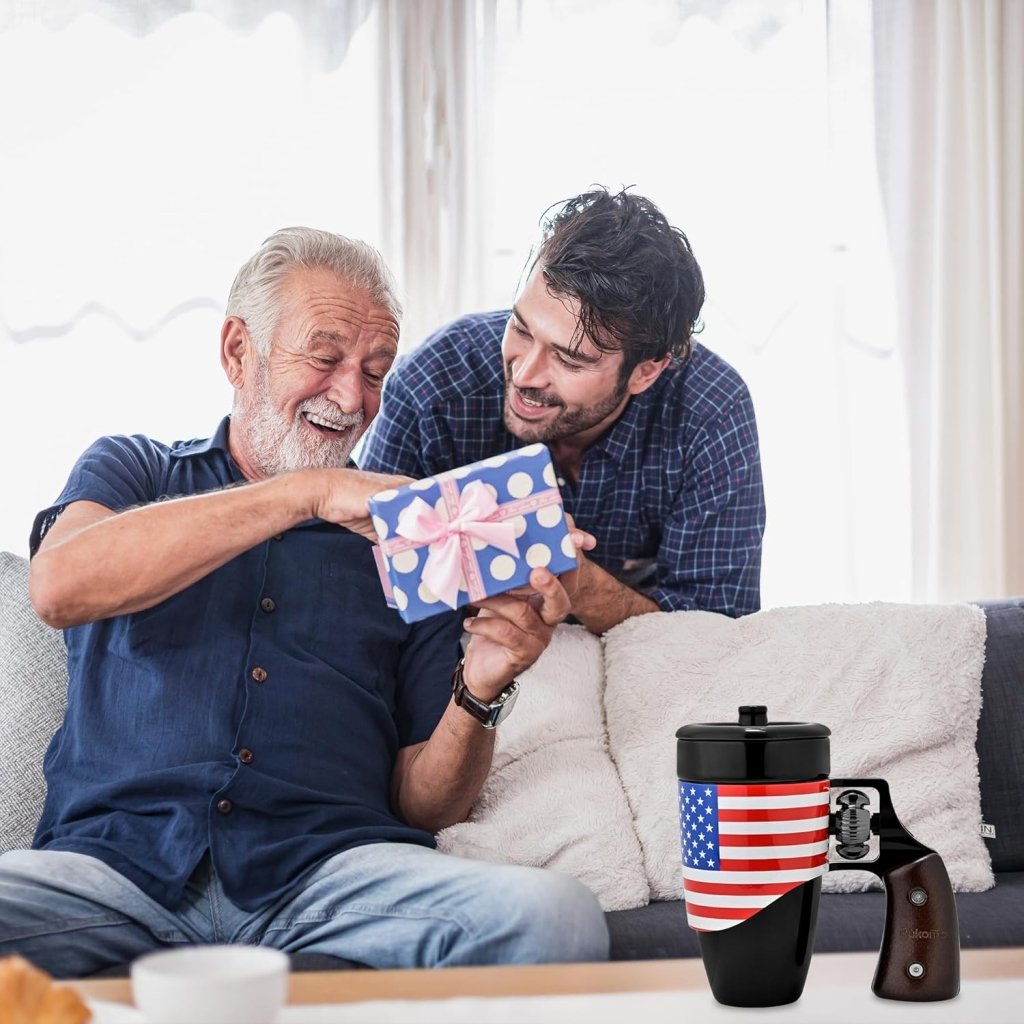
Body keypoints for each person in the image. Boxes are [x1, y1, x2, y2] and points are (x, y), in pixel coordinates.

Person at [0, 227, 608, 979]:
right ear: (236, 351)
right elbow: (60, 587)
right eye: (323, 359)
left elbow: (426, 804)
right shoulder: (136, 470)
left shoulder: (407, 541)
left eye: (376, 371)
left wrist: (481, 687)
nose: (352, 398)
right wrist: (306, 496)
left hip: (326, 878)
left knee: (555, 918)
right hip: (112, 873)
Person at [360, 188, 766, 634]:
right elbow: (363, 589)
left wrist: (579, 582)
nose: (526, 374)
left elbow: (719, 632)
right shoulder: (433, 384)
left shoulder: (710, 409)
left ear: (646, 372)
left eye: (569, 359)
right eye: (520, 328)